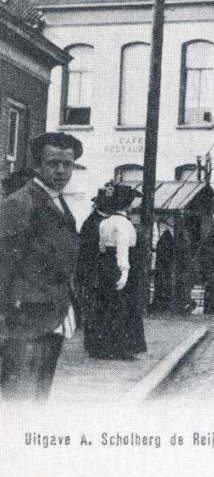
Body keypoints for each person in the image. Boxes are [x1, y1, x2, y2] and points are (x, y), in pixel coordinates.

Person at [0, 132, 83, 402]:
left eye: (67, 164)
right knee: (20, 396)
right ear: (36, 166)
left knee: (38, 394)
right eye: (53, 163)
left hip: (51, 312)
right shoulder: (21, 203)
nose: (61, 170)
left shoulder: (55, 198)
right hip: (25, 317)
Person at [93, 184, 144, 360]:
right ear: (127, 205)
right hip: (120, 265)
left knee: (107, 304)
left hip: (105, 265)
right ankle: (122, 347)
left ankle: (103, 346)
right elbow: (122, 249)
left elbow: (100, 247)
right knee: (122, 306)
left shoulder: (105, 222)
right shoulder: (124, 224)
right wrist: (124, 272)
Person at [76, 187, 113, 358]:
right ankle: (94, 345)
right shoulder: (91, 222)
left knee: (106, 309)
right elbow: (83, 248)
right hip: (93, 272)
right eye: (105, 203)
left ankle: (105, 343)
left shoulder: (111, 220)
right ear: (98, 203)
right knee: (94, 309)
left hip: (107, 273)